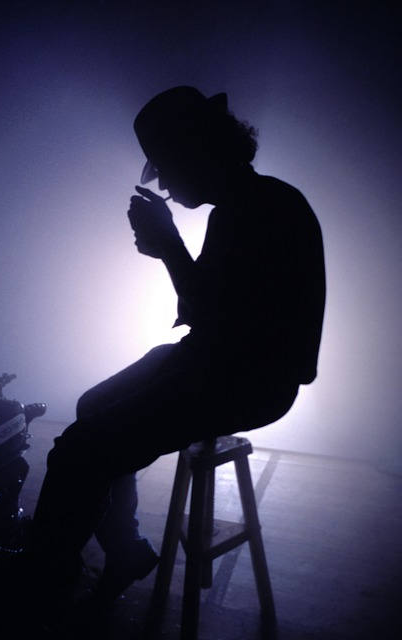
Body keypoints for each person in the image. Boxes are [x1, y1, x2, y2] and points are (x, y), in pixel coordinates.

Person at [25, 86, 326, 629]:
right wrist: (171, 254)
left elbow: (221, 324)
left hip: (250, 380)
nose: (162, 181)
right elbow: (210, 314)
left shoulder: (263, 211)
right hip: (217, 361)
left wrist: (170, 249)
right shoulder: (250, 205)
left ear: (199, 152)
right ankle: (126, 546)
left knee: (78, 452)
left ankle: (41, 596)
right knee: (91, 406)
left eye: (166, 165)